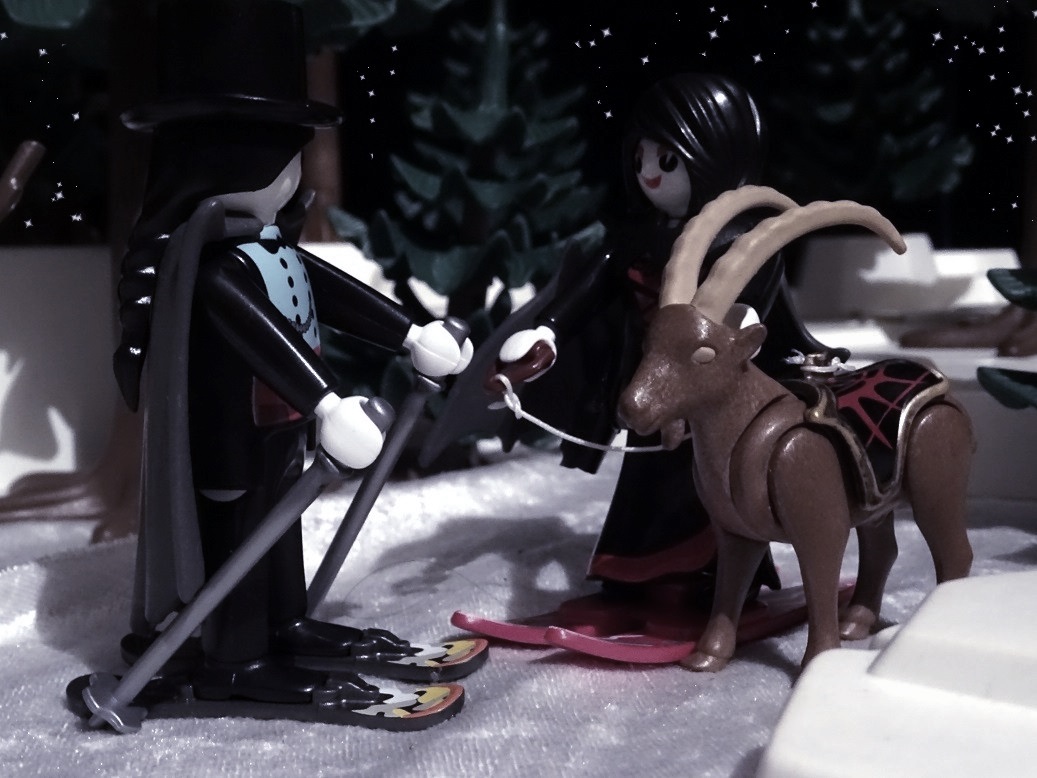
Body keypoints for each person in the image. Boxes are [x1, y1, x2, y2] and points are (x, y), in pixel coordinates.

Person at [113, 0, 478, 710]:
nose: (293, 175)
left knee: (280, 538)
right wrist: (327, 400)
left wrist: (409, 334)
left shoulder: (270, 249)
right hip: (232, 442)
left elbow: (333, 294)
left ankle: (285, 625)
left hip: (282, 429)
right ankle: (235, 659)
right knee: (241, 543)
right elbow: (262, 337)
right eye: (284, 157)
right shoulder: (215, 271)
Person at [493, 74, 842, 606]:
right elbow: (586, 291)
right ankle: (636, 573)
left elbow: (747, 317)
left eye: (668, 159)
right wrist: (547, 332)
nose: (649, 174)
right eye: (640, 159)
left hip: (708, 393)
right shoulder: (636, 238)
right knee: (645, 479)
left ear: (716, 155)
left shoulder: (745, 245)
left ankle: (713, 578)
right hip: (647, 383)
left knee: (712, 483)